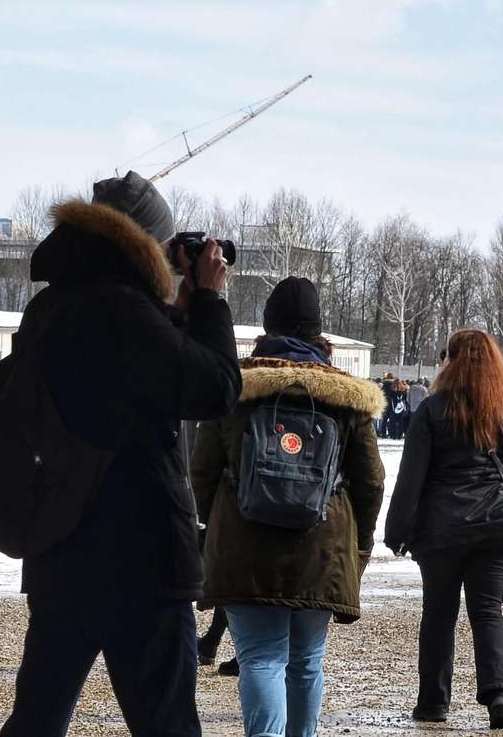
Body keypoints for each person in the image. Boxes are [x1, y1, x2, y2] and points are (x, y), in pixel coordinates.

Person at [0, 171, 242, 737]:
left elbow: (133, 377)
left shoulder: (53, 308)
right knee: (167, 725)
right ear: (143, 245)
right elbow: (216, 388)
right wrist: (208, 299)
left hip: (61, 548)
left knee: (37, 717)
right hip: (142, 558)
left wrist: (175, 311)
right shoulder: (126, 316)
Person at [192, 277, 385, 737]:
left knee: (260, 658)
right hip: (323, 546)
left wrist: (215, 523)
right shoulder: (348, 398)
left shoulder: (234, 387)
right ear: (320, 330)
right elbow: (371, 480)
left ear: (267, 325)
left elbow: (200, 471)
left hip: (244, 544)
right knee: (306, 662)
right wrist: (359, 541)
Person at [385, 330, 503, 730]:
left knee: (439, 614)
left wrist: (396, 530)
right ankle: (499, 694)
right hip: (499, 527)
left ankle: (433, 702)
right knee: (487, 611)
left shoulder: (432, 410)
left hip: (440, 530)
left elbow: (410, 478)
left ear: (450, 361)